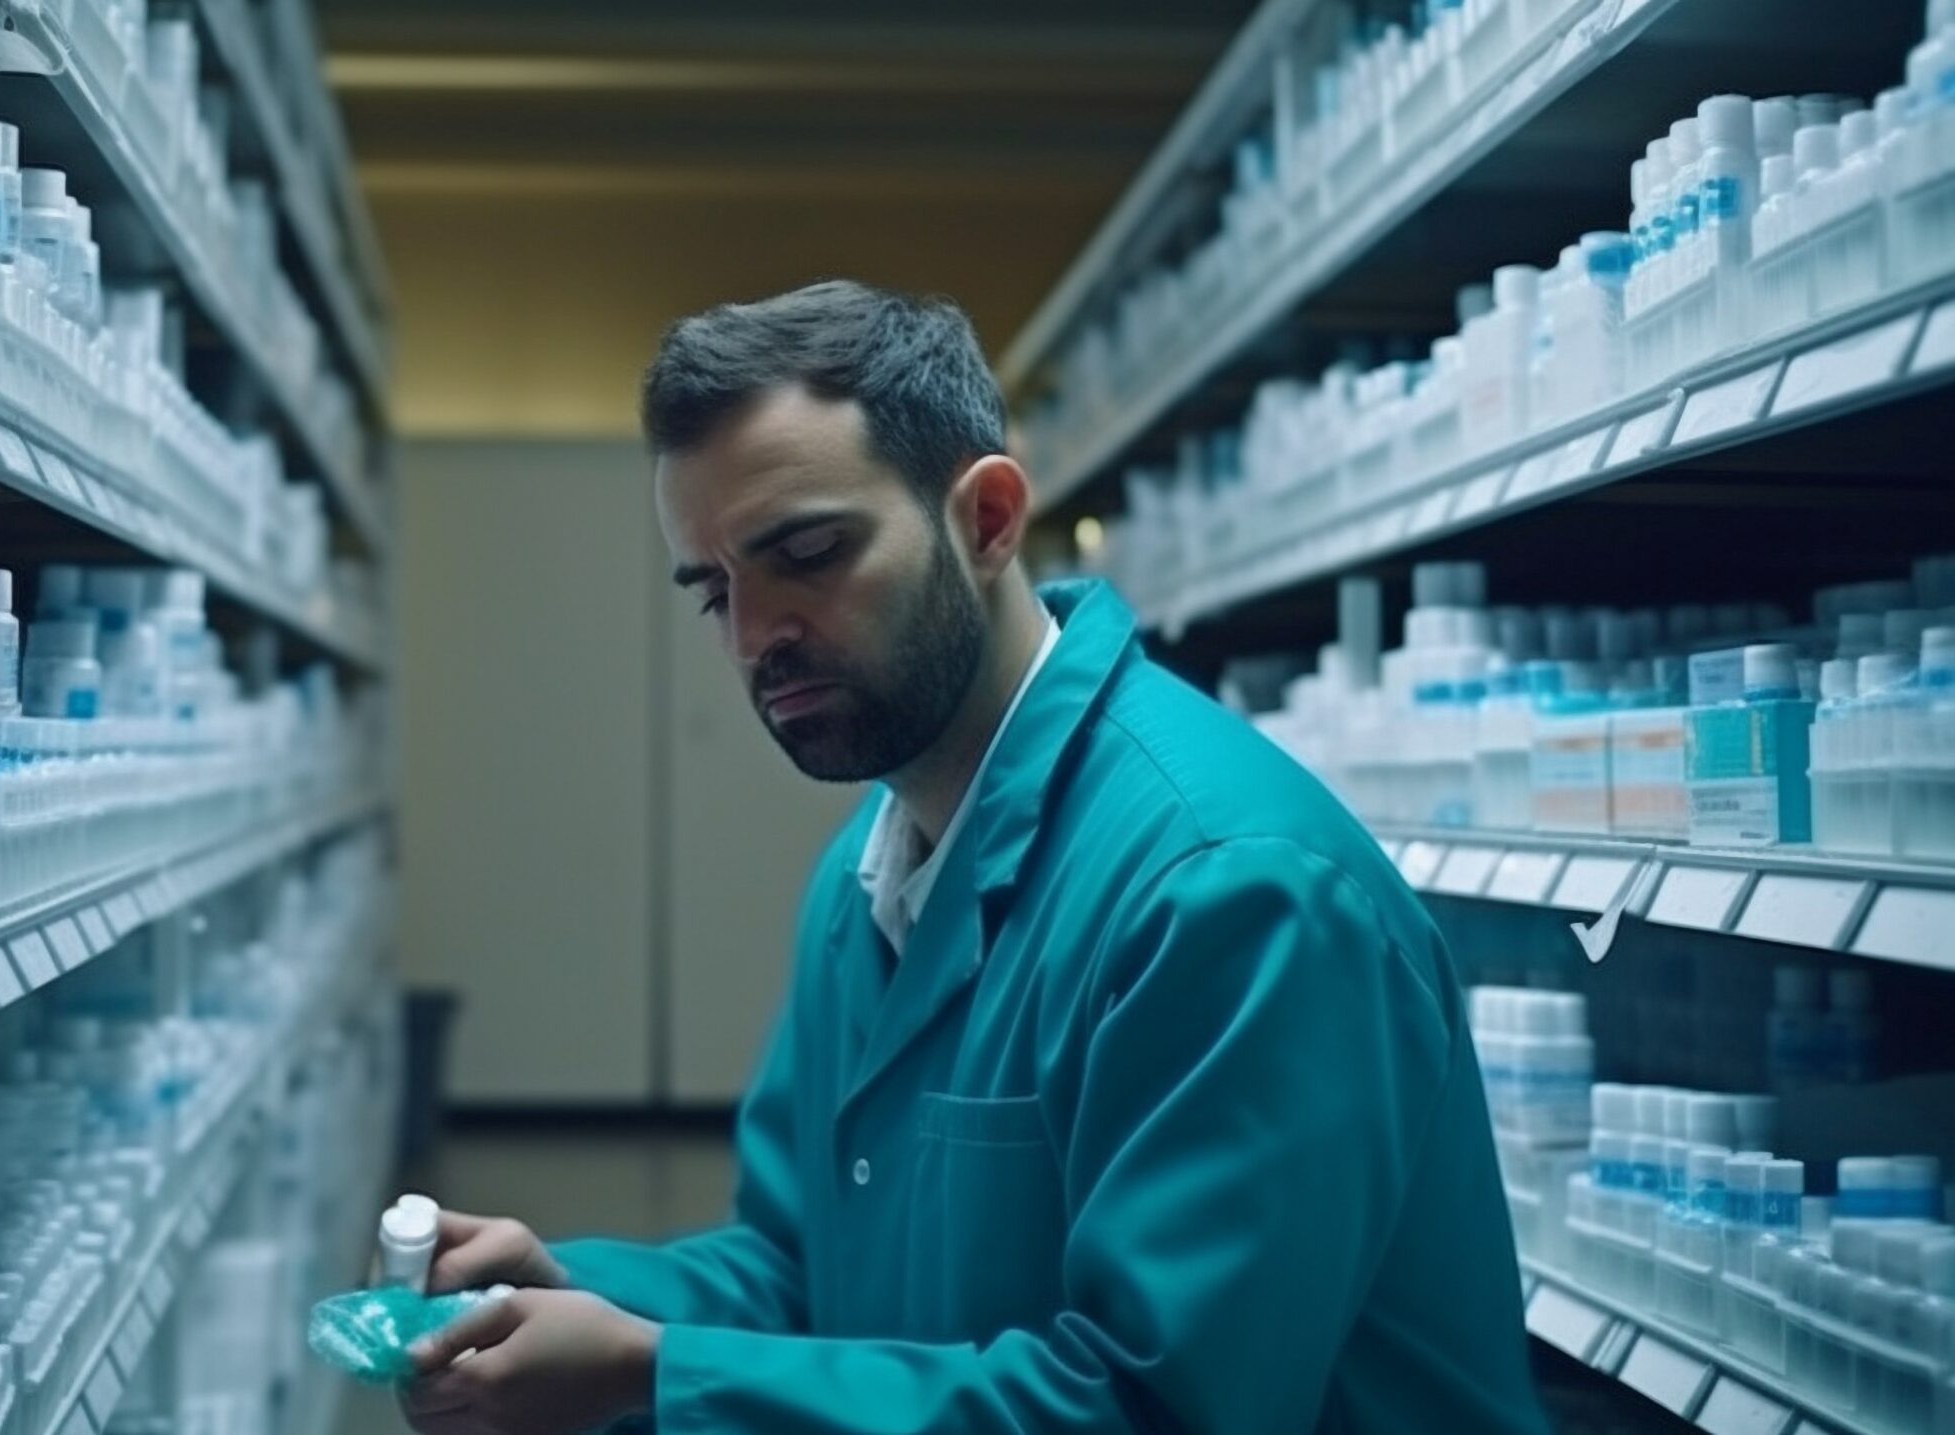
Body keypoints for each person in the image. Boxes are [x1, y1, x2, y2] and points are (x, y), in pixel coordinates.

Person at [395, 280, 1549, 1435]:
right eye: (715, 592)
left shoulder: (1231, 891)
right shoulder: (865, 882)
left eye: (807, 552)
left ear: (987, 521)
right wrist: (575, 1295)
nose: (754, 640)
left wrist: (653, 1373)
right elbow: (807, 1273)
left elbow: (1151, 1409)